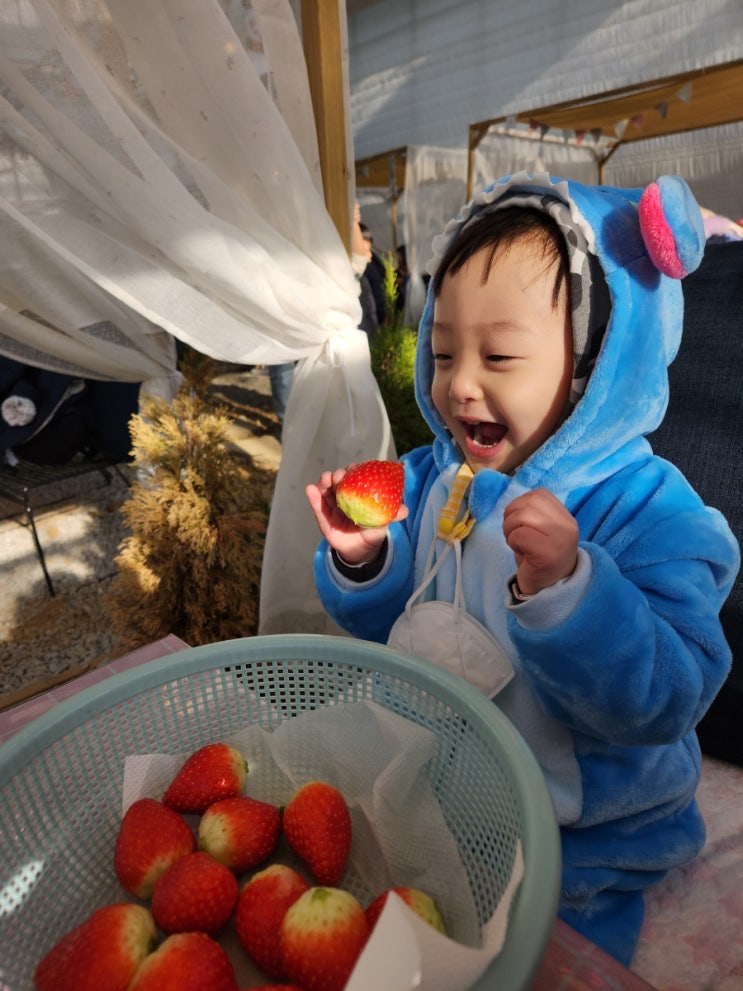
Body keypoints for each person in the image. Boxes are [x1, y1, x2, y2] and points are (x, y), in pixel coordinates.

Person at [305, 172, 740, 967]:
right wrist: (364, 560)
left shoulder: (648, 511)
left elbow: (668, 694)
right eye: (442, 352)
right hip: (440, 786)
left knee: (543, 953)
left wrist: (571, 592)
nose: (459, 384)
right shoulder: (435, 476)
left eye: (498, 354)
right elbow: (393, 620)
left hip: (580, 837)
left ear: (598, 363)